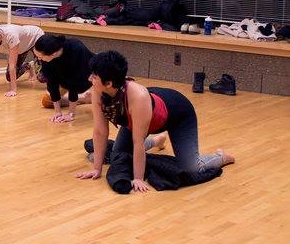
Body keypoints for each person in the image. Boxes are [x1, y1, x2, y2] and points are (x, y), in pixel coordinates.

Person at [76, 50, 235, 192]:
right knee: (119, 156)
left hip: (178, 114)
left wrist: (138, 178)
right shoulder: (98, 90)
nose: (90, 78)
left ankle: (221, 157)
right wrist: (97, 170)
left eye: (94, 76)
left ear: (109, 83)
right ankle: (156, 141)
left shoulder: (137, 97)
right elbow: (99, 131)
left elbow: (138, 141)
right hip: (140, 118)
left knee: (192, 168)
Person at [0, 16, 44, 97]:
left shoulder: (10, 35)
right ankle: (29, 65)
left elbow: (12, 64)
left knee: (42, 78)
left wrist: (13, 90)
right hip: (20, 48)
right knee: (9, 77)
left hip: (36, 38)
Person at [33, 34, 94, 122]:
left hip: (88, 77)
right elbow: (51, 82)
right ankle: (84, 99)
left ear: (53, 54)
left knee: (103, 103)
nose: (39, 59)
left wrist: (71, 114)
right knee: (46, 101)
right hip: (65, 80)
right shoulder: (47, 59)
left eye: (41, 57)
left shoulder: (76, 48)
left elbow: (74, 83)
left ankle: (89, 96)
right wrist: (58, 113)